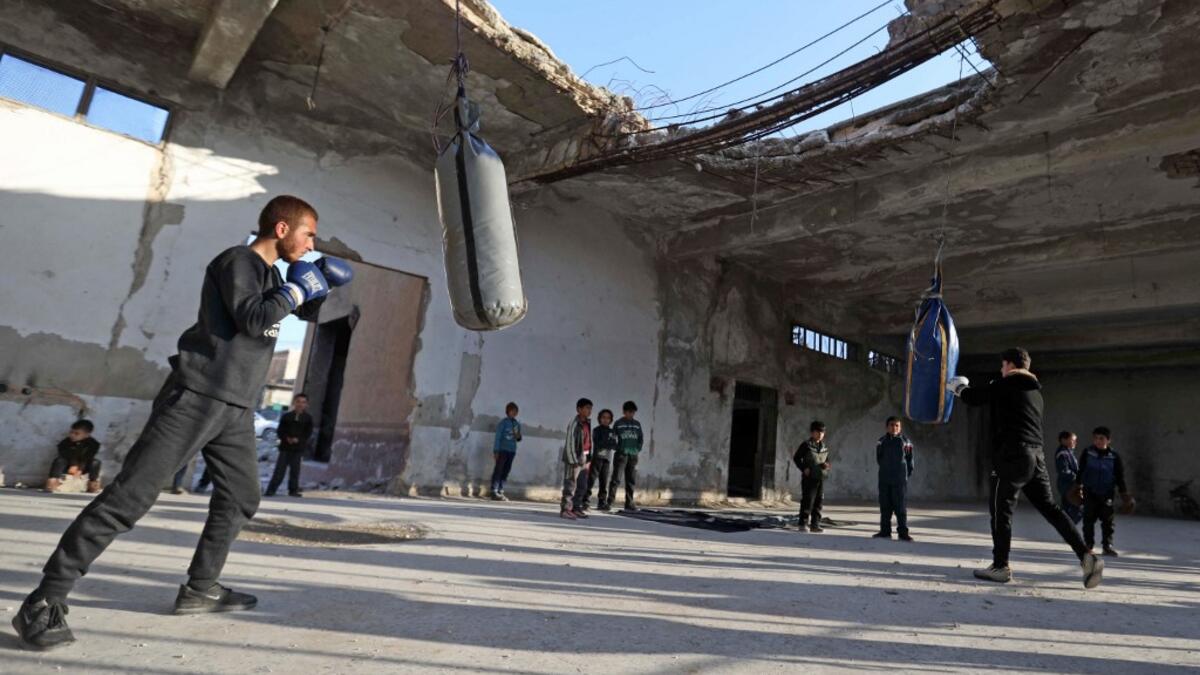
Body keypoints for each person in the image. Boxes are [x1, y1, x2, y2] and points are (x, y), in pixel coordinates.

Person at [13, 195, 355, 650]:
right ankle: (43, 601)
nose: (313, 243)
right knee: (128, 499)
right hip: (197, 394)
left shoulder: (274, 276)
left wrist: (319, 289)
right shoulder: (238, 261)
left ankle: (200, 588)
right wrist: (296, 290)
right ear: (281, 229)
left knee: (240, 497)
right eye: (308, 233)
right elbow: (254, 319)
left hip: (234, 406)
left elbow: (295, 309)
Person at [949, 347, 1103, 588]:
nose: (1001, 371)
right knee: (1051, 509)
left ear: (1009, 365)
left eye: (1002, 366)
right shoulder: (1035, 393)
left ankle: (1000, 566)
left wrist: (958, 388)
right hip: (1036, 456)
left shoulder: (1010, 383)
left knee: (1002, 510)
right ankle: (1086, 556)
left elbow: (974, 398)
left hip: (1011, 456)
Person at [1074, 426, 1133, 557]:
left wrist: (1125, 495)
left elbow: (1119, 476)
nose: (1098, 441)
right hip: (1090, 492)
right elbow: (1081, 471)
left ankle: (1107, 546)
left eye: (1101, 438)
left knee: (1108, 522)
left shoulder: (1114, 457)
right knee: (1088, 521)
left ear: (1108, 440)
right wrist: (1077, 488)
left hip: (1107, 493)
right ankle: (1088, 546)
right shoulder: (1088, 453)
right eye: (1095, 438)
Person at [874, 416, 915, 541]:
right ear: (887, 427)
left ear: (900, 427)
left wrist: (904, 476)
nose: (894, 428)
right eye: (892, 425)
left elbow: (910, 461)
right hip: (884, 479)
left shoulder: (905, 442)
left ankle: (903, 533)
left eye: (897, 425)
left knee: (900, 507)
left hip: (899, 480)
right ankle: (885, 531)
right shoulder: (881, 441)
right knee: (885, 506)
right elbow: (879, 458)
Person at [265, 395, 314, 498]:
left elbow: (308, 433)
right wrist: (286, 438)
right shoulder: (287, 416)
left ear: (306, 405)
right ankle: (271, 490)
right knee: (279, 470)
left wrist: (299, 439)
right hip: (285, 448)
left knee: (295, 470)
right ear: (294, 403)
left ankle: (293, 491)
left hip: (298, 449)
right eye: (298, 402)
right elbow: (280, 431)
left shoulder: (308, 418)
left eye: (303, 402)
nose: (300, 404)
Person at [793, 420, 831, 533]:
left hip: (820, 477)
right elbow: (796, 458)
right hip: (809, 478)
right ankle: (803, 524)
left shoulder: (824, 447)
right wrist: (804, 468)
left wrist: (827, 465)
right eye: (818, 431)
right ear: (812, 432)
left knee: (819, 501)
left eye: (822, 432)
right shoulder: (806, 445)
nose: (820, 434)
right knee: (808, 500)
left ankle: (815, 524)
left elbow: (827, 460)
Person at [45, 420, 102, 494]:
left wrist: (80, 469)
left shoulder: (93, 444)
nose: (72, 435)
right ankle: (52, 482)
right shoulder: (65, 442)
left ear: (87, 435)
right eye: (71, 432)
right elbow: (64, 454)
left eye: (76, 433)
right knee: (59, 461)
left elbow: (88, 456)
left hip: (84, 466)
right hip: (68, 464)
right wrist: (73, 464)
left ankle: (92, 484)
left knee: (96, 462)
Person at [560, 398, 592, 520]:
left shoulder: (587, 423)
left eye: (590, 408)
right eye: (587, 408)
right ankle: (565, 509)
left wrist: (588, 459)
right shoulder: (574, 423)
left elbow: (588, 441)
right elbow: (569, 442)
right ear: (579, 409)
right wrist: (573, 460)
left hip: (584, 458)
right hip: (574, 458)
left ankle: (576, 508)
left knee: (582, 485)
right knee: (570, 485)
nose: (589, 411)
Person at [610, 401, 644, 512]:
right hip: (621, 455)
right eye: (629, 412)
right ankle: (610, 501)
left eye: (633, 412)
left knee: (631, 480)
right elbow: (612, 437)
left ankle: (629, 503)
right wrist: (618, 448)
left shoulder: (637, 425)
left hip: (633, 456)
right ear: (624, 412)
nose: (631, 414)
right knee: (616, 479)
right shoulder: (618, 423)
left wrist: (637, 449)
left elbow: (640, 439)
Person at [490, 402, 522, 501]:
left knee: (506, 470)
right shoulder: (503, 423)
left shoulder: (516, 424)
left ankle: (501, 490)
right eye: (513, 411)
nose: (514, 413)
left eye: (516, 412)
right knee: (498, 470)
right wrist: (496, 450)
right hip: (502, 450)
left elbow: (518, 438)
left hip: (511, 451)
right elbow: (498, 437)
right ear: (508, 411)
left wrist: (518, 436)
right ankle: (494, 490)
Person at [586, 409, 617, 511]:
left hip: (607, 459)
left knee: (604, 481)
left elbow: (614, 445)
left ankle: (602, 502)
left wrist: (607, 443)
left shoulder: (612, 432)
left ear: (611, 420)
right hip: (597, 458)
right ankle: (585, 500)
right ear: (600, 419)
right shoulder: (596, 430)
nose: (605, 420)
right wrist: (608, 443)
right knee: (591, 480)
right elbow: (598, 443)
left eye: (608, 418)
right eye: (603, 417)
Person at [1053, 431, 1082, 524]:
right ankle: (1067, 528)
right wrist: (1077, 477)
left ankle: (1066, 528)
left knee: (1069, 508)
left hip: (1071, 485)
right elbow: (1064, 471)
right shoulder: (1062, 454)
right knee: (1075, 508)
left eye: (1075, 441)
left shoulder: (1069, 452)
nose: (1075, 443)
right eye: (1072, 440)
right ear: (1063, 440)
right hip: (1067, 485)